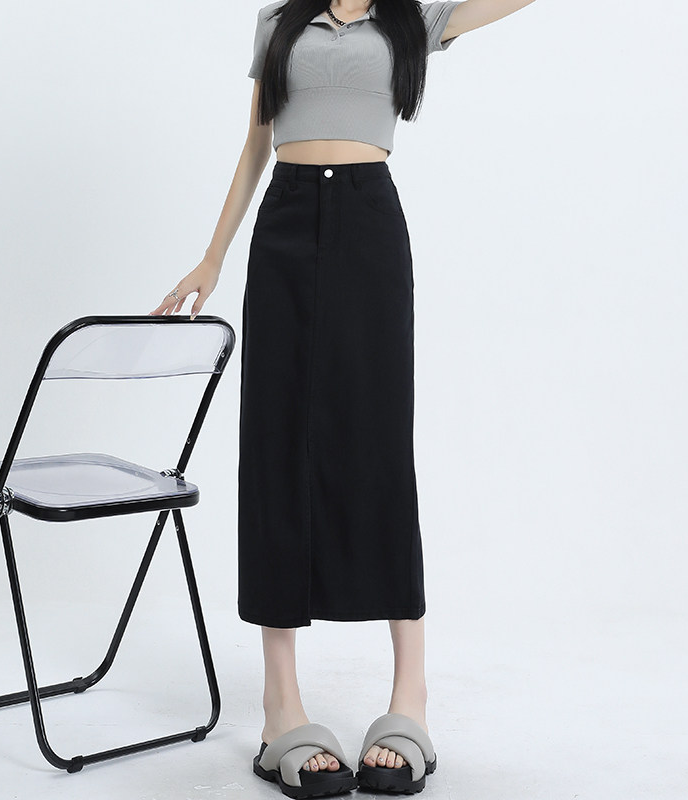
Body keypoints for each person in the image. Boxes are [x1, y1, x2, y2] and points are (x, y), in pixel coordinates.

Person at [150, 1, 536, 796]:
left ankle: (410, 698)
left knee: (379, 447)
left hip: (369, 225)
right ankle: (280, 709)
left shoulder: (413, 17)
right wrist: (212, 258)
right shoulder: (279, 20)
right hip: (284, 225)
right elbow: (256, 141)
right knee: (276, 448)